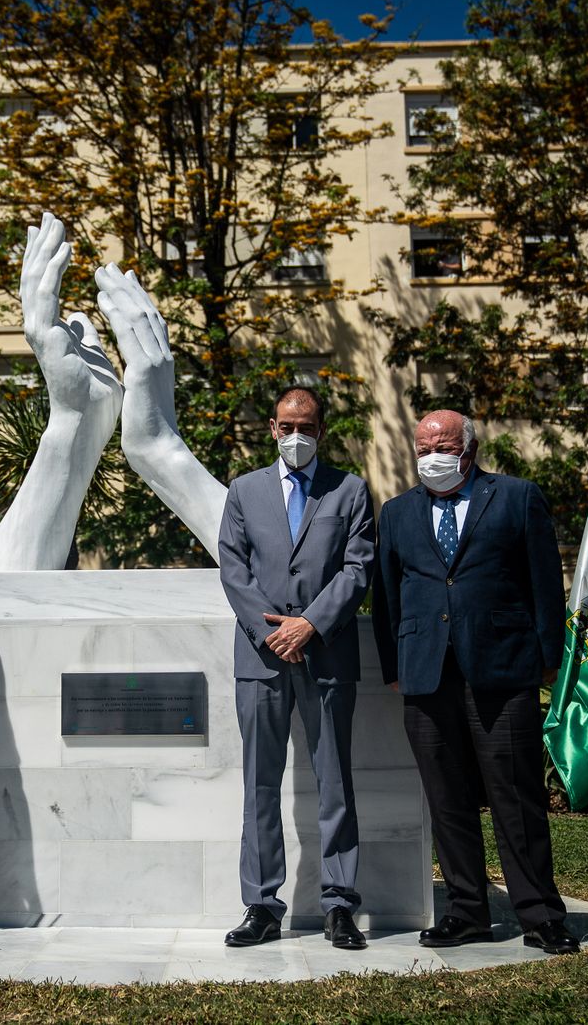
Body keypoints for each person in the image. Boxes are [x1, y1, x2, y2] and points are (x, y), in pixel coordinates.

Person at [370, 409, 579, 955]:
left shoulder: (516, 497)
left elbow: (543, 584)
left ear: (468, 448)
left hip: (503, 670)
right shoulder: (395, 513)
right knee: (447, 800)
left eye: (440, 444)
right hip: (425, 675)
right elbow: (389, 594)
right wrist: (395, 668)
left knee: (517, 798)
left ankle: (540, 914)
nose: (430, 455)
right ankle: (467, 912)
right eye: (420, 447)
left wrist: (547, 658)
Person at [216, 385, 374, 951]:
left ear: (321, 431)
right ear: (272, 429)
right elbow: (234, 570)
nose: (295, 436)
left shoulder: (350, 490)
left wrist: (309, 624)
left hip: (326, 653)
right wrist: (272, 632)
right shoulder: (244, 491)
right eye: (286, 426)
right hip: (261, 660)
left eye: (306, 427)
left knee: (335, 782)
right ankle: (261, 905)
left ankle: (339, 906)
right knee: (260, 785)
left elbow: (357, 569)